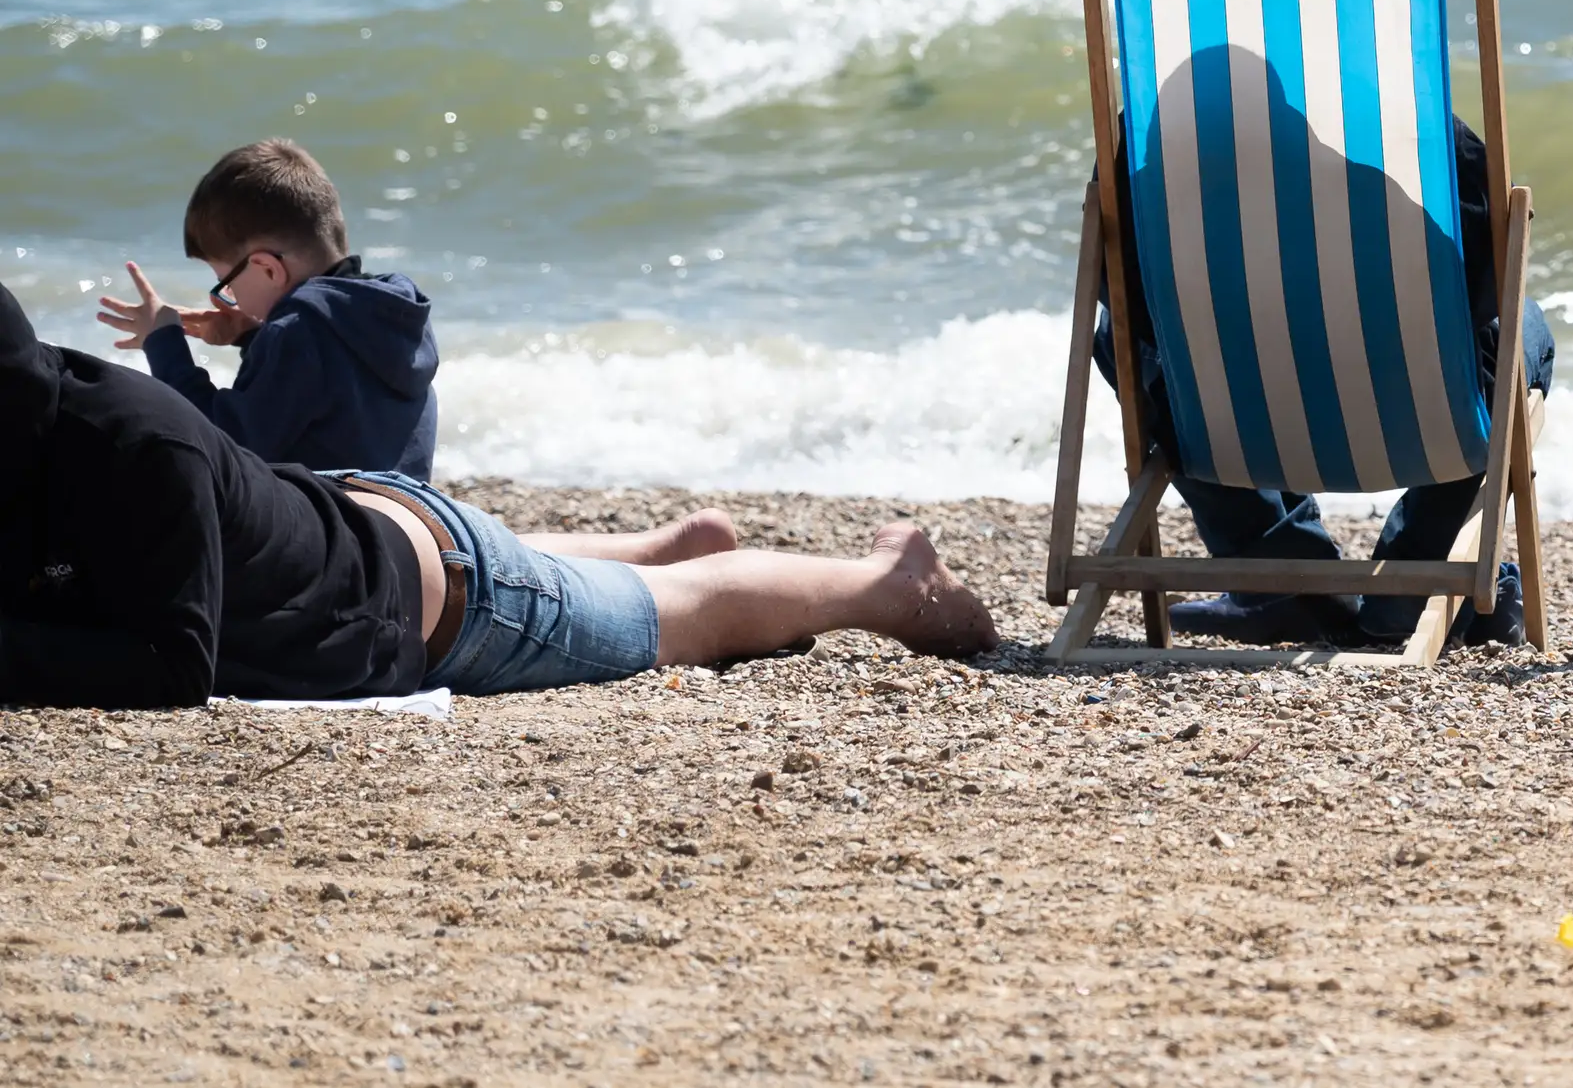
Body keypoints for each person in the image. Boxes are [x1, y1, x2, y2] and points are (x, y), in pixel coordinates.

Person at [0, 282, 988, 708]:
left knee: (696, 616)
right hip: (357, 521)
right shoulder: (47, 429)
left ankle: (883, 577)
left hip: (440, 599)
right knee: (583, 572)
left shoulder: (132, 447)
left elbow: (173, 663)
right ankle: (662, 541)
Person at [1093, 0, 1555, 650]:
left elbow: (1129, 303)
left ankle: (1282, 571)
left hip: (1231, 428)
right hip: (1412, 420)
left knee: (1120, 334)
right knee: (1524, 332)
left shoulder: (1156, 155)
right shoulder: (1418, 141)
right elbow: (1482, 295)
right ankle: (1415, 579)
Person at [92, 139, 440, 477]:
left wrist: (165, 344)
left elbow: (223, 449)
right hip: (405, 518)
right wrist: (251, 337)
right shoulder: (393, 314)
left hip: (339, 528)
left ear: (268, 269)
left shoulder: (296, 334)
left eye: (226, 282)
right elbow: (331, 392)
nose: (227, 296)